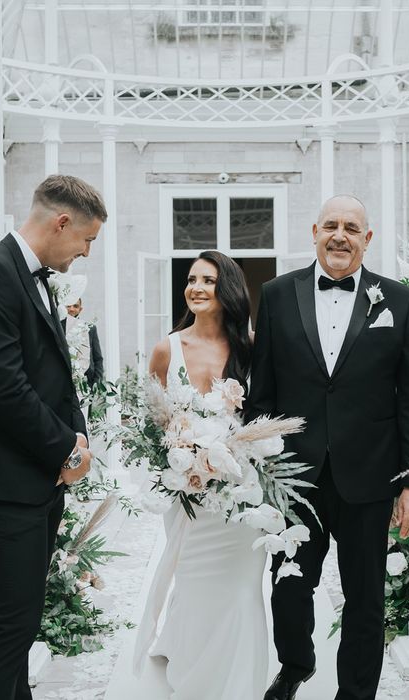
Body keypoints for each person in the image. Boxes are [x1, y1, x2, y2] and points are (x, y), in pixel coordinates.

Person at [246, 194, 409, 700]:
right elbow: (260, 391)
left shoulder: (396, 300)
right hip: (293, 477)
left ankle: (356, 693)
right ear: (313, 232)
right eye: (331, 225)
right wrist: (259, 474)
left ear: (367, 239)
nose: (340, 235)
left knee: (366, 597)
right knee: (288, 586)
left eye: (352, 227)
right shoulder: (278, 294)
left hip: (370, 476)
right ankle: (296, 664)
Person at [0, 175, 104, 699]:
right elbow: (1, 388)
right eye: (86, 240)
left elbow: (53, 371)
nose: (85, 252)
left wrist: (77, 434)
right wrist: (65, 448)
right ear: (61, 222)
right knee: (11, 625)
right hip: (2, 477)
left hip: (31, 476)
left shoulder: (28, 274)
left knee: (20, 620)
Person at [133, 251, 267, 699]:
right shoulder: (166, 348)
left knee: (242, 590)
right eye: (191, 280)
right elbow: (151, 417)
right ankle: (194, 679)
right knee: (193, 585)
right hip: (188, 495)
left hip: (242, 494)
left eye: (207, 280)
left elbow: (264, 417)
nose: (196, 288)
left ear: (226, 289)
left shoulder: (251, 346)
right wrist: (180, 452)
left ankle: (239, 685)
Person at [66, 298, 105, 387]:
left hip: (87, 381)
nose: (71, 309)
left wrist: (97, 383)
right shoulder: (58, 328)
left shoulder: (90, 328)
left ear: (80, 309)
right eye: (68, 306)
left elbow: (98, 358)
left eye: (75, 306)